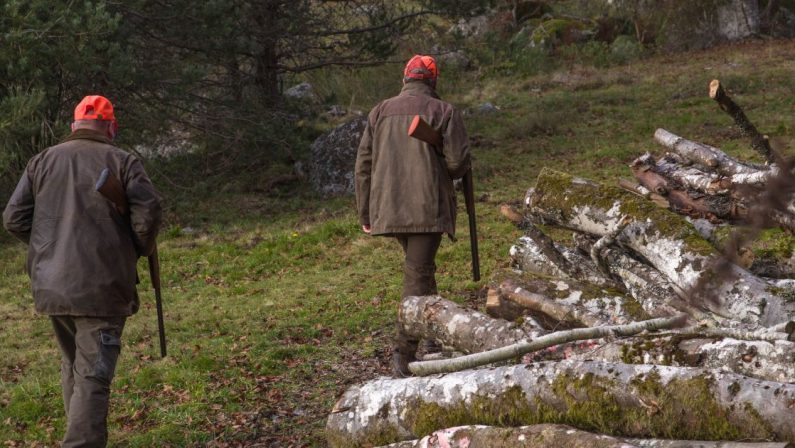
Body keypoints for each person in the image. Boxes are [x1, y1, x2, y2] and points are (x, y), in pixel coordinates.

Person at [3, 95, 162, 447]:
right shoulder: (123, 160)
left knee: (75, 364)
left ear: (75, 125)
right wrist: (133, 249)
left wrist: (50, 248)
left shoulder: (41, 161)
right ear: (111, 126)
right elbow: (147, 215)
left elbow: (13, 219)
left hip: (52, 287)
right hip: (101, 287)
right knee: (93, 374)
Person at [354, 55, 471, 376]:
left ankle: (431, 335)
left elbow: (363, 164)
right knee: (417, 276)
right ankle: (402, 355)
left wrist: (366, 212)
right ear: (433, 80)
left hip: (388, 209)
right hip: (425, 208)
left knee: (421, 269)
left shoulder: (379, 111)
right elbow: (456, 164)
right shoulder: (445, 111)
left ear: (406, 78)